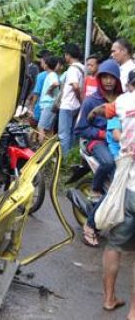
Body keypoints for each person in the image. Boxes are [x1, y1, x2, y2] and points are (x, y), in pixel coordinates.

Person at [88, 69, 135, 316]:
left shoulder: (123, 101)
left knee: (114, 246)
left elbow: (97, 113)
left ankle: (109, 298)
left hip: (126, 188)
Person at [75, 60, 123, 246]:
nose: (109, 81)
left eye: (112, 77)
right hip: (95, 142)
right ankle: (91, 225)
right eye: (105, 77)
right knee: (113, 176)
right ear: (99, 79)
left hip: (120, 143)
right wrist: (102, 133)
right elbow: (80, 129)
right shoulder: (91, 101)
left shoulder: (124, 99)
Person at [59, 43, 85, 157]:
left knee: (63, 134)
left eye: (65, 55)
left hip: (68, 105)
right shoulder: (83, 68)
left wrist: (80, 99)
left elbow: (75, 86)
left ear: (68, 55)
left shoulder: (72, 69)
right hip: (77, 107)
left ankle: (64, 160)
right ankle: (72, 158)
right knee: (73, 134)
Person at [37, 56, 61, 144]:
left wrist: (49, 90)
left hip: (48, 105)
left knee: (41, 128)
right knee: (48, 130)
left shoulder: (51, 75)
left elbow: (56, 83)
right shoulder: (52, 75)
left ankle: (41, 150)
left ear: (46, 65)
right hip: (50, 105)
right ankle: (48, 151)